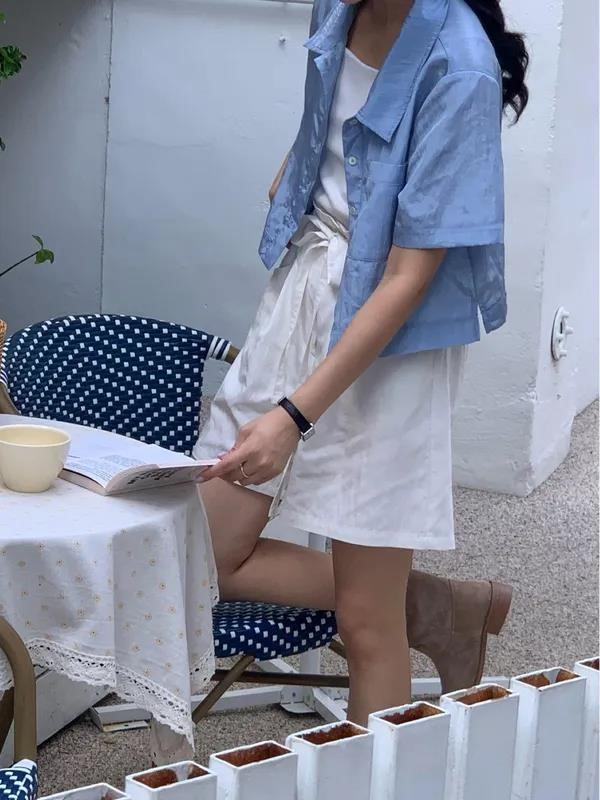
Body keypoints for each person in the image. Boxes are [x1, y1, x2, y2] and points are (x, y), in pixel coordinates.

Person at [196, 0, 529, 725]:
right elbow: (333, 115)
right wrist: (300, 167)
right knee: (208, 555)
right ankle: (437, 604)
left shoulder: (460, 66)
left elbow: (408, 279)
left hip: (390, 341)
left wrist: (292, 417)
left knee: (367, 625)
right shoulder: (338, 7)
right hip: (304, 297)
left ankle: (379, 745)